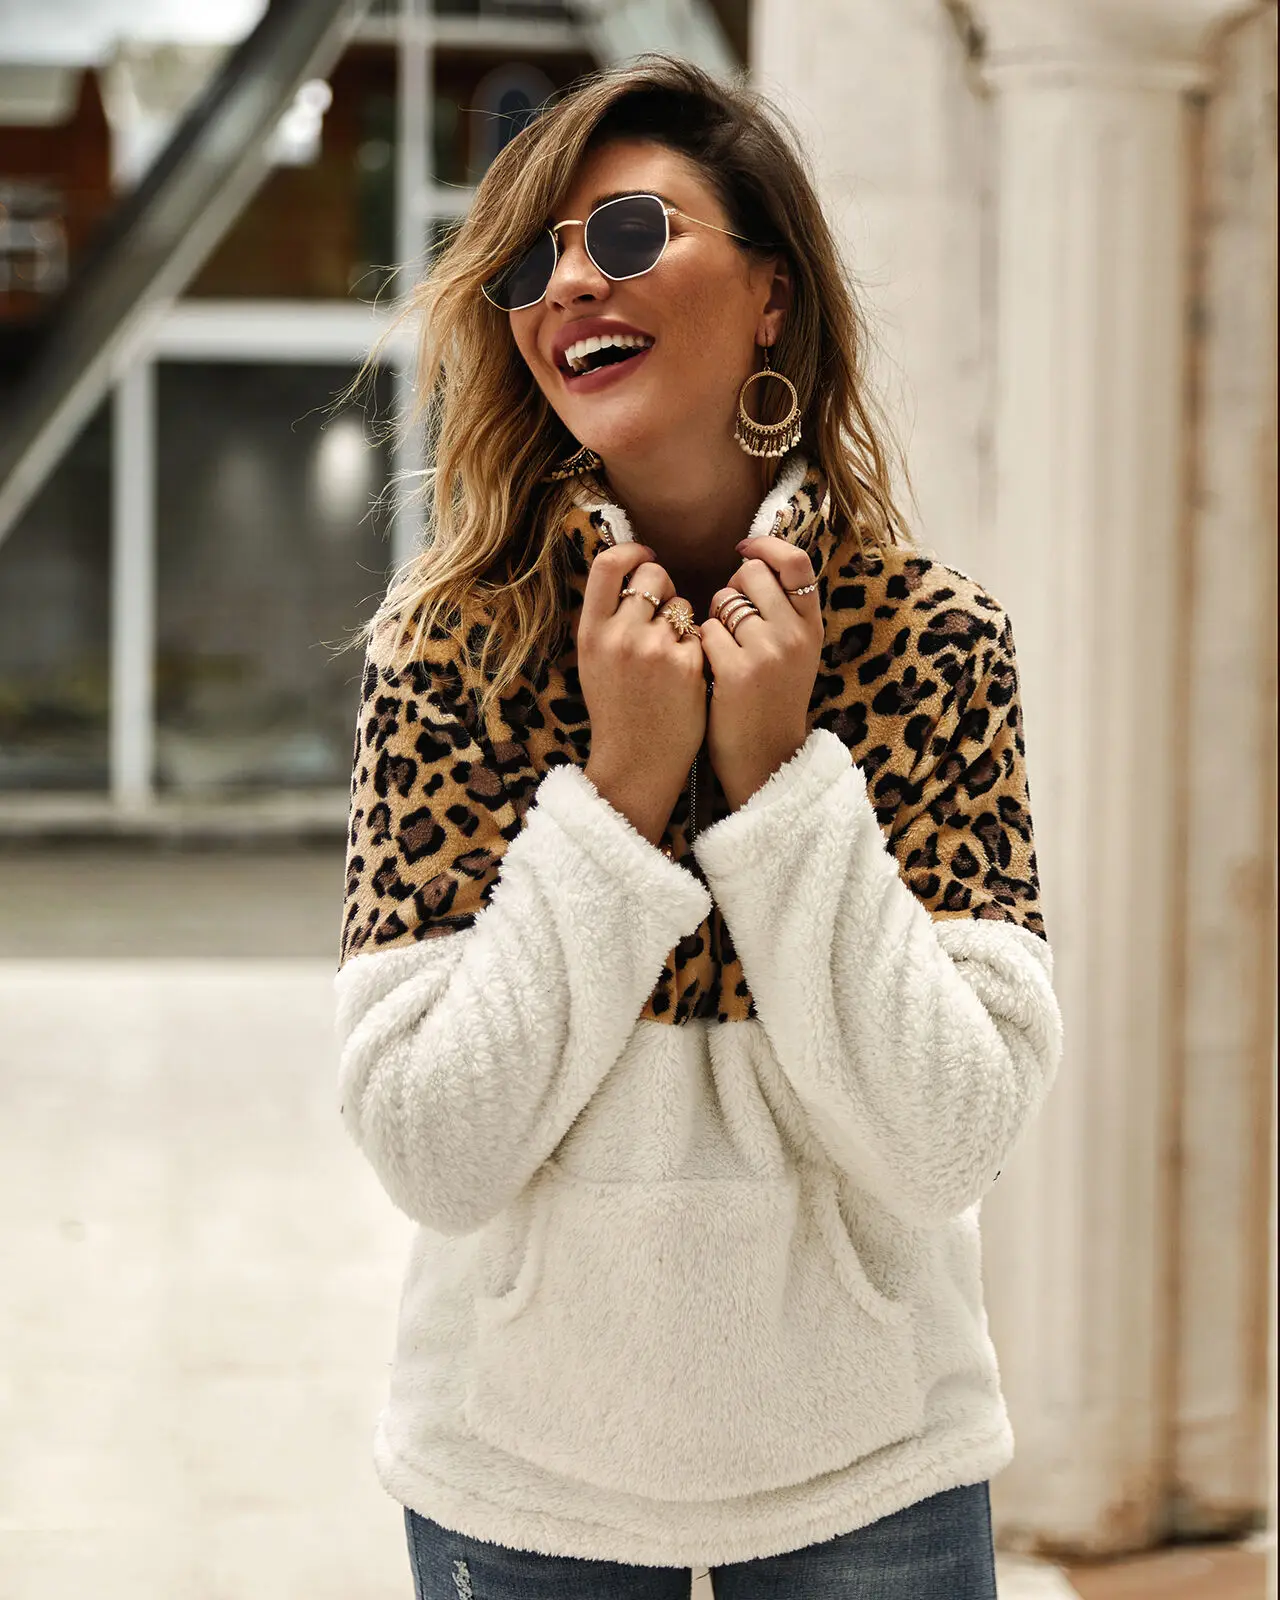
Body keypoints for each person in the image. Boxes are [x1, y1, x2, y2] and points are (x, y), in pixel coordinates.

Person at [335, 53, 1062, 1600]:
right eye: (527, 264)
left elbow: (953, 1141)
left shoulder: (933, 647)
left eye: (627, 233)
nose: (563, 288)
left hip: (876, 1473)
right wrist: (619, 796)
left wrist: (784, 782)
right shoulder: (451, 655)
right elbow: (431, 1149)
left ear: (774, 293)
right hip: (521, 1482)